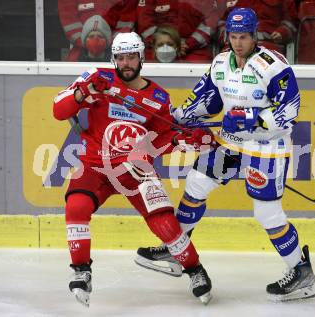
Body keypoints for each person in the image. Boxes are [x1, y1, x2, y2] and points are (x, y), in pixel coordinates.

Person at [135, 8, 315, 302]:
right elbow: (206, 97)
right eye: (233, 36)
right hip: (230, 145)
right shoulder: (220, 63)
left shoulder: (272, 65)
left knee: (267, 213)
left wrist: (253, 118)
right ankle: (176, 248)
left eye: (244, 36)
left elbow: (290, 110)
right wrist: (181, 116)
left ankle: (301, 270)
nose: (238, 42)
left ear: (254, 35)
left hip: (265, 149)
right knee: (195, 183)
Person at [53, 32, 214, 306]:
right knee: (76, 207)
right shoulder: (97, 77)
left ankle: (195, 270)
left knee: (165, 223)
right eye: (120, 57)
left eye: (131, 57)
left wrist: (181, 139)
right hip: (94, 165)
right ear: (113, 59)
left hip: (136, 168)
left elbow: (159, 142)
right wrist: (84, 92)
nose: (125, 63)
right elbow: (58, 109)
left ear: (141, 57)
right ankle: (81, 271)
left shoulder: (159, 98)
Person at [137, 0, 220, 62]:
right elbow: (144, 23)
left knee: (202, 70)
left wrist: (188, 44)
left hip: (194, 49)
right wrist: (159, 43)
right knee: (144, 67)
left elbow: (210, 23)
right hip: (157, 47)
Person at [216, 0, 298, 55]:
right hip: (236, 43)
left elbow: (291, 22)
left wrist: (282, 32)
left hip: (268, 44)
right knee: (226, 65)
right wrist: (227, 36)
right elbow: (222, 21)